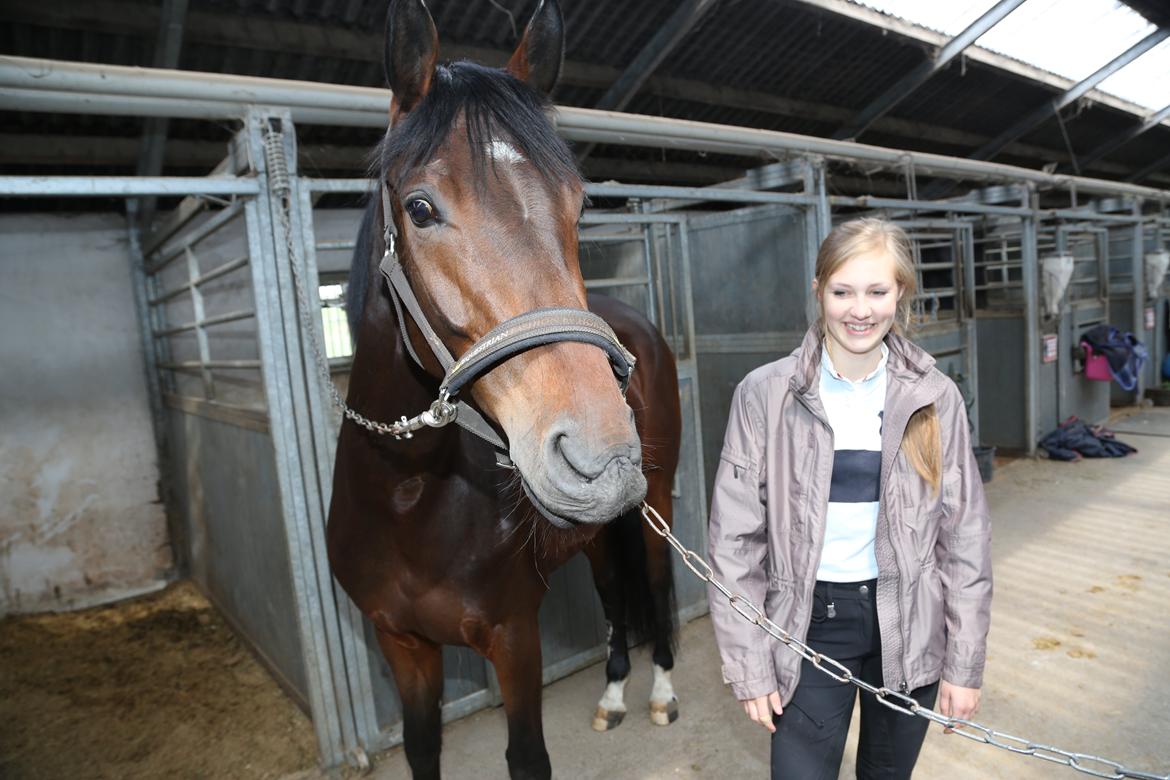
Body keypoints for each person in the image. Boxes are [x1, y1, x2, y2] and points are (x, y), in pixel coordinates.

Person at [707, 218, 992, 779]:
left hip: (909, 623)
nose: (859, 310)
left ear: (900, 294)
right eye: (842, 291)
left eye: (876, 291)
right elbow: (734, 542)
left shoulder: (935, 396)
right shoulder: (766, 394)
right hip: (811, 623)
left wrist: (964, 664)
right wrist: (749, 666)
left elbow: (965, 537)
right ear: (819, 290)